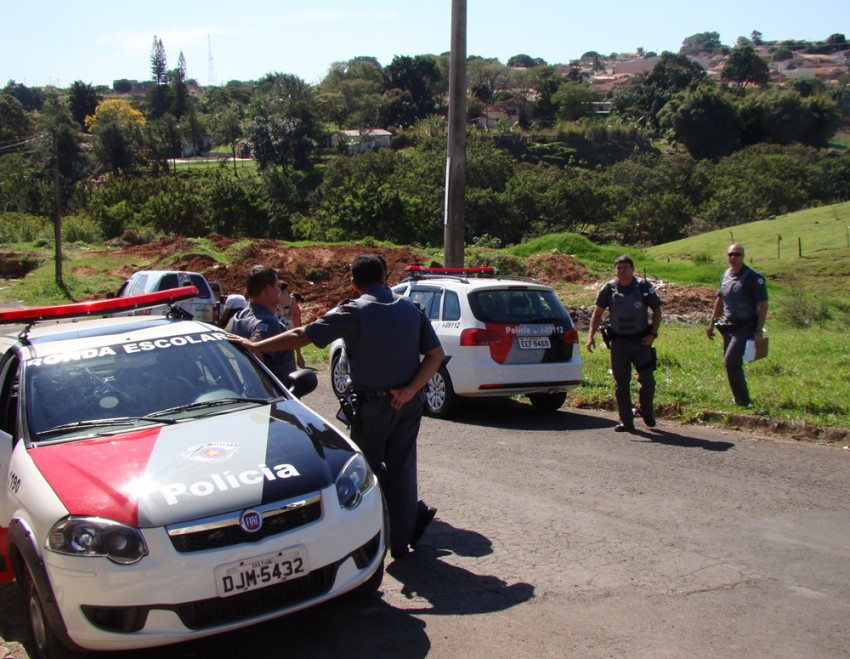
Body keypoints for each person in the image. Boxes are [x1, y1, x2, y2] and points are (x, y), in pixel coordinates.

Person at [228, 254, 445, 559]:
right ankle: (402, 543)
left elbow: (302, 335)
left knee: (361, 475)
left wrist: (255, 346)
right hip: (407, 405)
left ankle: (364, 543)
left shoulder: (354, 311)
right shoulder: (412, 308)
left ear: (354, 284)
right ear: (385, 278)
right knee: (403, 470)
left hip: (372, 409)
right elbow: (435, 355)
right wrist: (411, 390)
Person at [587, 255, 662, 433]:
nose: (621, 271)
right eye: (619, 268)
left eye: (625, 268)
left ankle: (646, 410)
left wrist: (653, 334)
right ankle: (626, 420)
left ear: (632, 269)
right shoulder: (609, 288)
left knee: (648, 381)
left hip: (641, 342)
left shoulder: (643, 287)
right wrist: (590, 335)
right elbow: (597, 313)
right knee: (621, 384)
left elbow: (657, 311)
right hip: (619, 343)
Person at [706, 244, 768, 407]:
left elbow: (763, 304)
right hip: (727, 326)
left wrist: (758, 330)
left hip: (745, 326)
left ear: (743, 256)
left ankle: (743, 400)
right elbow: (720, 300)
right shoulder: (725, 275)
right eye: (730, 254)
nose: (733, 257)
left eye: (737, 254)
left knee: (731, 361)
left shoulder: (753, 277)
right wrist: (712, 323)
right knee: (731, 364)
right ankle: (739, 398)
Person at [228, 266, 297, 382]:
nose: (279, 291)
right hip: (275, 396)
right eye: (277, 286)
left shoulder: (239, 317)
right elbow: (254, 356)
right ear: (268, 289)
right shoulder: (266, 323)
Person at [279, 292, 307, 368]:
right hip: (290, 323)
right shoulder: (292, 300)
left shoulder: (278, 298)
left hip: (282, 322)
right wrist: (298, 326)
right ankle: (298, 359)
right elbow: (295, 315)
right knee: (294, 342)